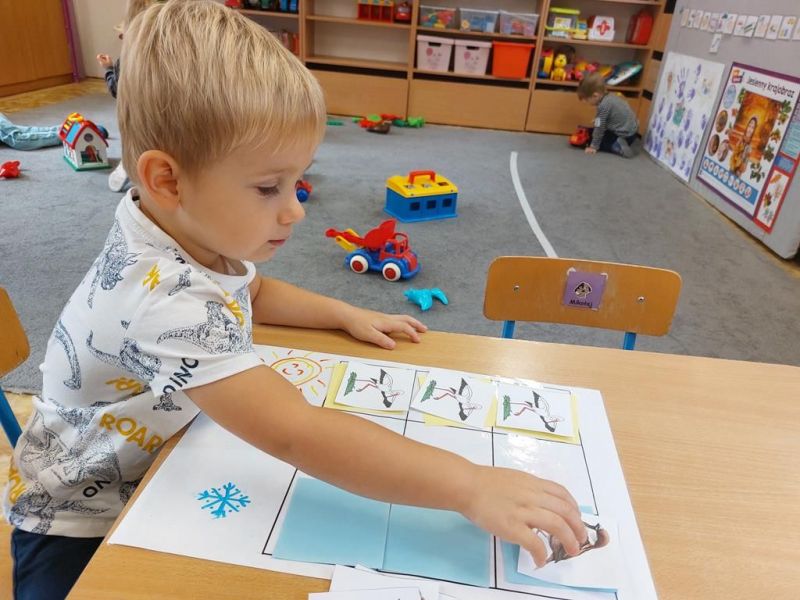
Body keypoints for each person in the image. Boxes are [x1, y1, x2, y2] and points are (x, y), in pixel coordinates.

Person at [3, 3, 586, 598]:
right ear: (168, 180)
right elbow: (296, 432)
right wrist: (469, 485)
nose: (296, 210)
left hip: (167, 456)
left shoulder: (183, 228)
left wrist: (344, 313)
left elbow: (251, 291)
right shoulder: (163, 298)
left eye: (297, 181)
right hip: (78, 518)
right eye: (268, 187)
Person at [96, 0, 159, 193]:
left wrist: (108, 70)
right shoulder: (165, 56)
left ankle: (129, 163)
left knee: (136, 138)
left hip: (137, 117)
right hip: (163, 113)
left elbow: (117, 90)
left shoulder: (127, 59)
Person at [577, 73, 639, 158]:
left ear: (595, 95)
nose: (587, 103)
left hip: (623, 135)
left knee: (591, 139)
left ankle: (617, 146)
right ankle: (629, 141)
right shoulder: (611, 96)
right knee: (591, 131)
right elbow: (613, 116)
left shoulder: (603, 106)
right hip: (632, 132)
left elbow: (599, 128)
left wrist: (593, 146)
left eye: (587, 100)